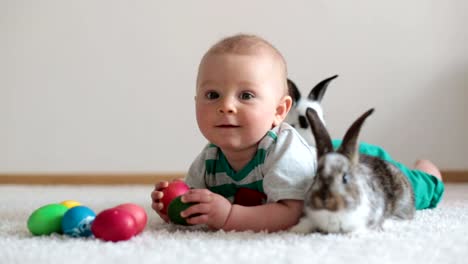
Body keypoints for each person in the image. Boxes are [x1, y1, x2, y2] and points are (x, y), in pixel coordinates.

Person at [151, 34, 317, 232]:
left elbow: (293, 214)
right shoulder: (209, 158)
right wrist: (176, 206)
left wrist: (229, 216)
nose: (226, 106)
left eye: (246, 95)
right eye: (213, 95)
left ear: (279, 111)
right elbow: (198, 207)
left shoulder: (284, 149)